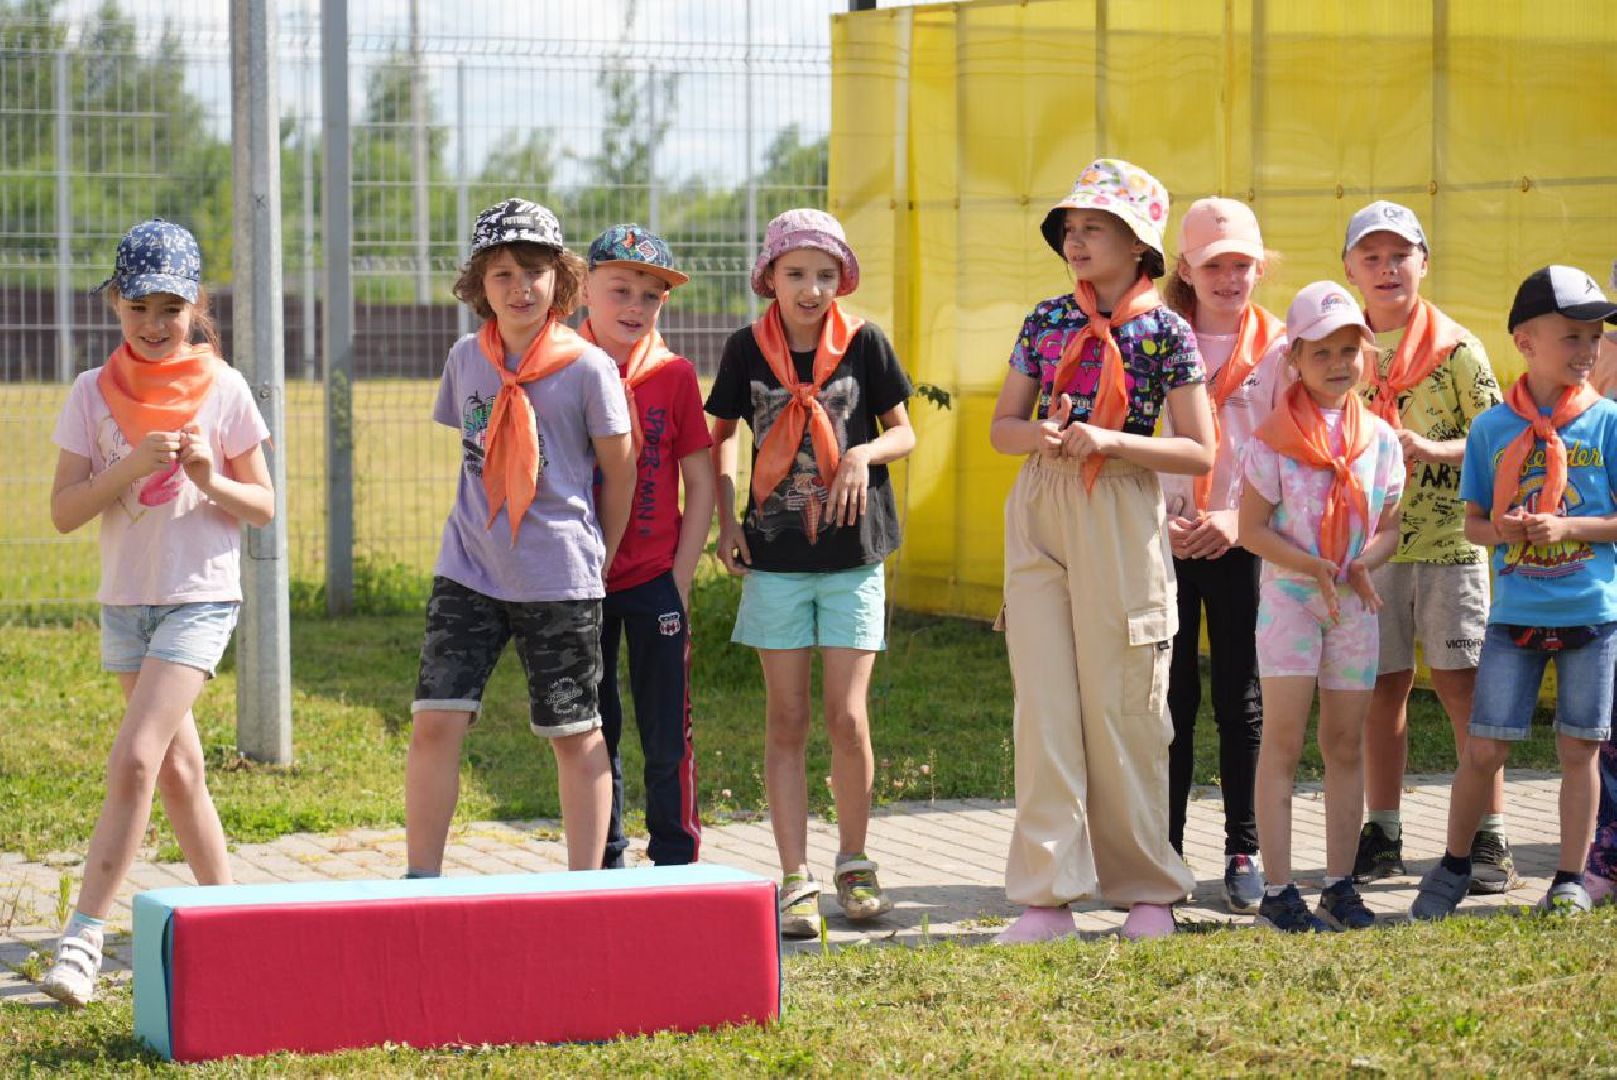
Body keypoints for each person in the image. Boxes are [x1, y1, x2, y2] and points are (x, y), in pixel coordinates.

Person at [40, 219, 275, 1007]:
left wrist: (209, 476)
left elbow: (264, 507)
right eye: (138, 305)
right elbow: (65, 511)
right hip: (126, 606)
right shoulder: (89, 393)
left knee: (138, 758)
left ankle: (81, 936)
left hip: (198, 600)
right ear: (114, 303)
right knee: (178, 772)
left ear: (195, 306)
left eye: (170, 307)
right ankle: (238, 919)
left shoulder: (226, 389)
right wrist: (128, 467)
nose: (154, 323)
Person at [989, 159, 1215, 945]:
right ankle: (1047, 896)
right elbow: (1002, 427)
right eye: (1069, 229)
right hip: (1043, 504)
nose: (1074, 241)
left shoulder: (1165, 331)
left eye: (1092, 227)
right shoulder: (1045, 319)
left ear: (1136, 242)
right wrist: (1041, 436)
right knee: (1044, 707)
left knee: (1124, 705)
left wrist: (1113, 439)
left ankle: (1146, 891)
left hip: (1119, 503)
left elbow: (1198, 450)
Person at [403, 198, 635, 879]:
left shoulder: (588, 368)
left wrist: (602, 555)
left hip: (557, 576)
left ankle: (585, 883)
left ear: (560, 282)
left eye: (534, 271)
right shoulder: (464, 360)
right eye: (501, 274)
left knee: (574, 732)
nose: (519, 287)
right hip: (469, 568)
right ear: (478, 285)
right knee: (435, 719)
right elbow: (472, 454)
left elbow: (618, 474)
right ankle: (421, 878)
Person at [706, 208, 915, 938]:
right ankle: (793, 874)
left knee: (846, 715)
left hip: (853, 557)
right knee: (786, 717)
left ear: (841, 280)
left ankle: (853, 862)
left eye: (825, 275)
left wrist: (862, 455)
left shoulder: (864, 342)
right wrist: (727, 522)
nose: (810, 288)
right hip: (775, 559)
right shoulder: (744, 350)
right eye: (795, 274)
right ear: (769, 277)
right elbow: (721, 436)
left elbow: (904, 431)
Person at [1413, 266, 1617, 919]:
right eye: (1571, 337)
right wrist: (1499, 529)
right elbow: (1472, 523)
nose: (1585, 351)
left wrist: (1567, 525)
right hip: (1515, 615)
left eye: (1593, 337)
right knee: (1483, 746)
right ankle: (1450, 865)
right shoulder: (1491, 430)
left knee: (1578, 748)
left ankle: (1567, 878)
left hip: (1592, 612)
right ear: (1524, 341)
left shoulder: (1607, 423)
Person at [1342, 201, 1509, 892]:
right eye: (1370, 257)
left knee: (1462, 687)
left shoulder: (1455, 348)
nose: (1385, 269)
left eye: (1399, 255)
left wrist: (1429, 449)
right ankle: (1381, 830)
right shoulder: (1339, 347)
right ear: (1349, 268)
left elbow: (1501, 438)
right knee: (1380, 689)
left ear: (1423, 262)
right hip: (1370, 549)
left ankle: (1487, 836)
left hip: (1448, 545)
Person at [1239, 282, 1404, 932]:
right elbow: (1250, 529)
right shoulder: (1271, 440)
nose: (1339, 364)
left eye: (1349, 350)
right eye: (1322, 352)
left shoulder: (1381, 440)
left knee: (1343, 743)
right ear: (1294, 360)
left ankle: (1339, 885)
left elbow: (1390, 526)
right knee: (1280, 743)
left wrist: (1369, 559)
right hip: (1289, 608)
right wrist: (1308, 565)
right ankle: (1277, 892)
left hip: (1354, 610)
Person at [1159, 198, 1288, 913]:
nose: (1229, 278)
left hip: (1243, 542)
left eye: (1241, 264)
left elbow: (1292, 453)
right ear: (1185, 268)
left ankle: (1244, 847)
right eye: (1214, 265)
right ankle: (1164, 852)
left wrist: (1237, 520)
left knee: (1240, 701)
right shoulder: (1156, 338)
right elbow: (1134, 438)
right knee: (1168, 701)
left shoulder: (1277, 348)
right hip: (1167, 539)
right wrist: (1160, 520)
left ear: (1258, 267)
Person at [578, 224, 714, 868]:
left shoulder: (674, 376)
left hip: (654, 578)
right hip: (579, 581)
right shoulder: (562, 366)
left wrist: (680, 578)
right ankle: (603, 854)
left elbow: (701, 482)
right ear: (584, 289)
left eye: (652, 295)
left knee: (667, 730)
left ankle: (675, 855)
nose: (635, 307)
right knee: (593, 727)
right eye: (620, 290)